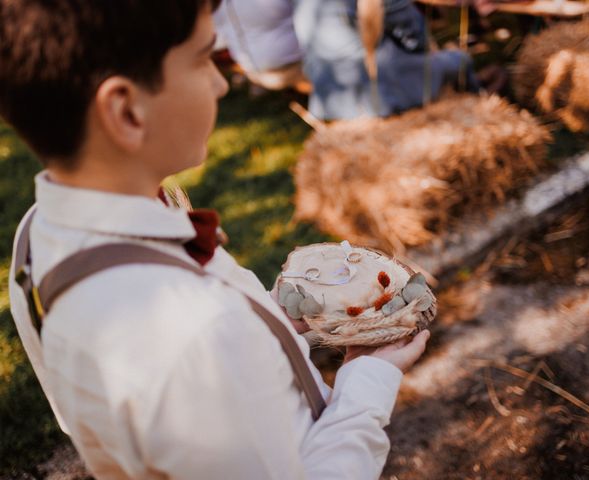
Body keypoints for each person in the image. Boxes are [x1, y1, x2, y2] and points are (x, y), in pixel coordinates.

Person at [2, 1, 430, 478]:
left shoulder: (37, 235)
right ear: (125, 110)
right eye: (203, 59)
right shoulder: (198, 329)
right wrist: (368, 380)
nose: (222, 83)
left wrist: (275, 326)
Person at [293, 0, 481, 119]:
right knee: (460, 60)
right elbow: (415, 37)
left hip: (328, 96)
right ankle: (476, 118)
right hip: (379, 92)